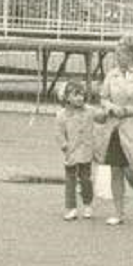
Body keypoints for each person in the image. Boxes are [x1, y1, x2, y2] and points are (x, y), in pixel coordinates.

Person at [96, 35, 133, 226]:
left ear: (132, 55)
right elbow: (103, 96)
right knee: (115, 171)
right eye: (117, 52)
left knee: (131, 171)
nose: (117, 56)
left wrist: (127, 110)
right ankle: (118, 212)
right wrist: (109, 107)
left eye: (121, 53)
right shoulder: (111, 74)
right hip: (114, 127)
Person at [55, 80, 95, 220]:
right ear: (66, 97)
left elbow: (100, 119)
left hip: (86, 151)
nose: (80, 98)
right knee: (70, 180)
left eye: (82, 95)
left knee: (86, 179)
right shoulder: (61, 115)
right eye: (76, 95)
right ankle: (71, 207)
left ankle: (88, 203)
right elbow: (59, 133)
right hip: (71, 151)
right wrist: (64, 146)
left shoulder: (90, 111)